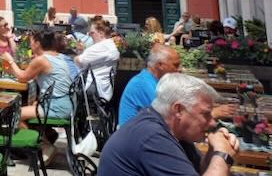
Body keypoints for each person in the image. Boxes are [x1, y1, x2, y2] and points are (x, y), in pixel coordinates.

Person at [99, 73, 239, 176]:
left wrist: (213, 153)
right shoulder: (151, 137)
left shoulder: (176, 133)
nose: (212, 121)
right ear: (178, 110)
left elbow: (198, 171)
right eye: (205, 114)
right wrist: (223, 155)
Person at [2, 31, 74, 125]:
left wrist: (10, 61)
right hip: (65, 104)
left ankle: (35, 139)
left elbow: (23, 78)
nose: (30, 45)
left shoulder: (42, 60)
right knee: (29, 105)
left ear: (37, 44)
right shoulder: (58, 56)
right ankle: (46, 136)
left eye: (31, 42)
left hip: (55, 107)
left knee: (12, 114)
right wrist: (12, 70)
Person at [118, 44, 180, 125]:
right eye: (175, 65)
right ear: (160, 65)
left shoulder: (153, 81)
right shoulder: (142, 84)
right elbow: (169, 117)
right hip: (135, 135)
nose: (179, 69)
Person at [75, 20, 119, 101]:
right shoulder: (112, 46)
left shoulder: (98, 48)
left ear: (101, 33)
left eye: (92, 33)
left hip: (93, 88)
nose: (90, 35)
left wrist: (78, 53)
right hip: (106, 89)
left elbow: (79, 61)